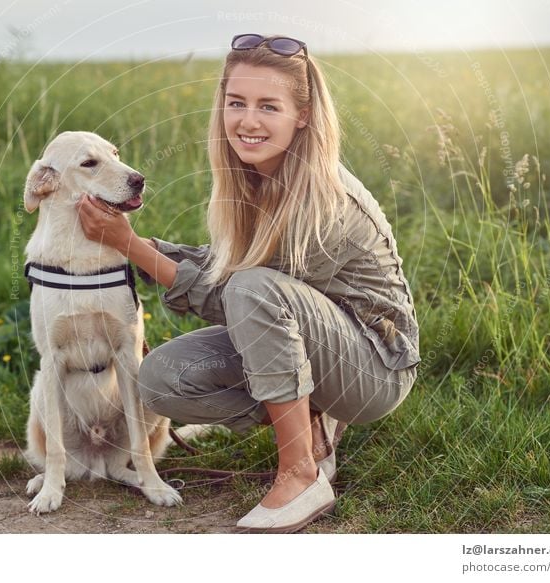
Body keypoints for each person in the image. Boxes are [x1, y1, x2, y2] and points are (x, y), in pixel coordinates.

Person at [77, 33, 421, 533]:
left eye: (268, 105)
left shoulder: (323, 199)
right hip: (304, 339)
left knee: (251, 291)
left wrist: (132, 248)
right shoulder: (253, 176)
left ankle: (301, 474)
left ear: (301, 115)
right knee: (161, 378)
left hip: (372, 368)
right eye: (236, 103)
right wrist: (127, 239)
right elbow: (226, 269)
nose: (248, 120)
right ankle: (312, 426)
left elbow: (242, 296)